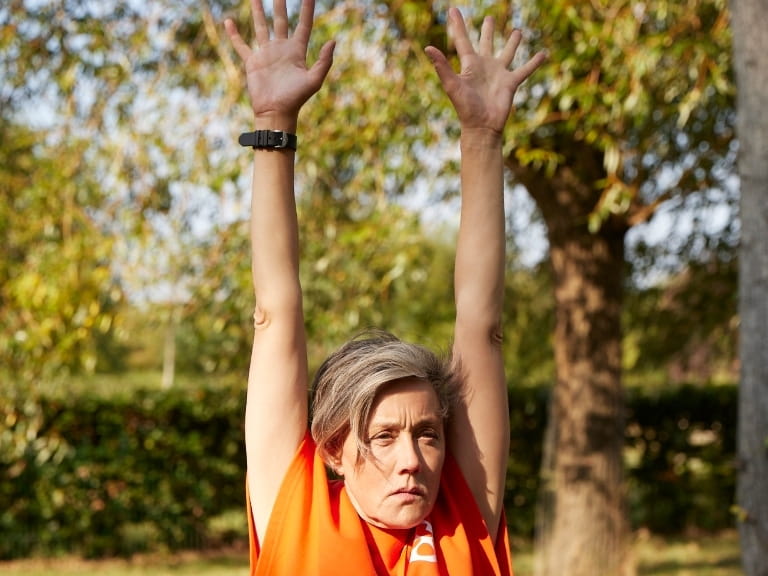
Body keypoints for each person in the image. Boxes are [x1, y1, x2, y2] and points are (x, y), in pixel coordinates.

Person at [224, 0, 546, 573]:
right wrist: (274, 122)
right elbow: (274, 311)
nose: (412, 461)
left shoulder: (463, 515)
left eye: (428, 434)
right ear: (335, 450)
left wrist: (482, 136)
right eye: (384, 436)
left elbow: (483, 325)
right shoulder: (297, 516)